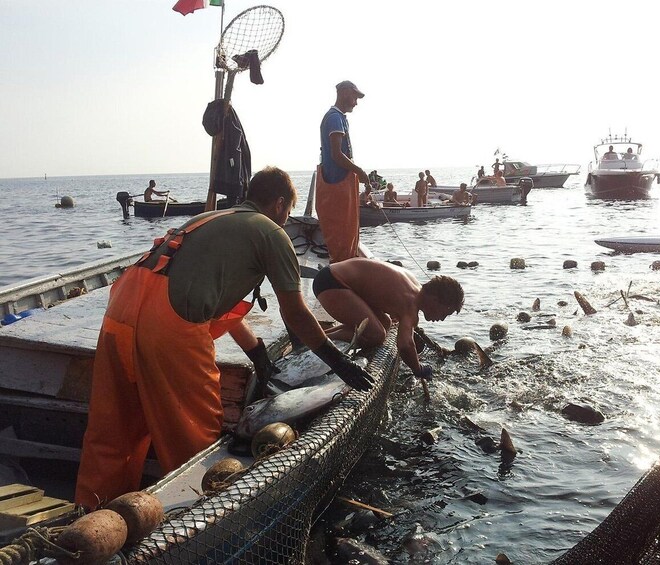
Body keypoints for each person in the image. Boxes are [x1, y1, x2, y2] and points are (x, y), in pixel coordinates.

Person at [75, 166, 374, 507]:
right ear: (280, 204)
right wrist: (338, 362)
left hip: (119, 311)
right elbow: (295, 312)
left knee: (113, 428)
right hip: (170, 326)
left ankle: (90, 510)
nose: (286, 218)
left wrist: (258, 353)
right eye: (288, 212)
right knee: (194, 428)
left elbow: (212, 300)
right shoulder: (271, 233)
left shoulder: (209, 219)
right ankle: (195, 517)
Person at [312, 258, 464, 383]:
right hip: (331, 284)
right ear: (436, 300)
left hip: (331, 275)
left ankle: (320, 334)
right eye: (446, 312)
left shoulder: (414, 284)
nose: (442, 318)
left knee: (385, 323)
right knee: (376, 335)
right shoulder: (411, 305)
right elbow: (405, 345)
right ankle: (313, 339)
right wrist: (418, 369)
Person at [317, 80, 370, 262]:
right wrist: (360, 171)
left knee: (347, 231)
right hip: (337, 185)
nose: (356, 102)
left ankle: (344, 264)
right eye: (355, 97)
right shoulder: (334, 117)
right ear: (345, 93)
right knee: (342, 232)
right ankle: (342, 270)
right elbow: (336, 154)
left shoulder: (339, 118)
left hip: (340, 183)